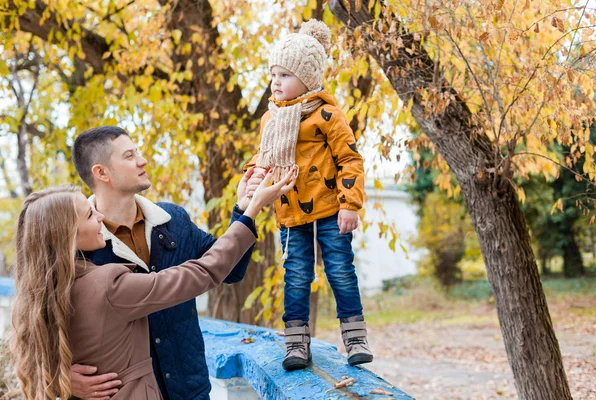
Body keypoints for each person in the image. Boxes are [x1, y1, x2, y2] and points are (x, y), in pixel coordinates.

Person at [10, 171, 295, 399]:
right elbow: (206, 270)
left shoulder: (49, 286)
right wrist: (251, 211)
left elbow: (36, 344)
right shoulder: (105, 283)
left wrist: (60, 378)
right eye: (88, 215)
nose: (98, 217)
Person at [68, 126, 260, 399]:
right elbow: (41, 325)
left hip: (191, 391)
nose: (142, 161)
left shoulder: (174, 219)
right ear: (102, 173)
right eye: (129, 155)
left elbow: (228, 270)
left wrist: (244, 209)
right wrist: (60, 376)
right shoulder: (79, 245)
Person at [245, 19, 372, 371]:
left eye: (285, 75)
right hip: (290, 213)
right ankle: (296, 344)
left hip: (332, 210)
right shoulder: (271, 119)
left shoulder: (327, 114)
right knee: (297, 275)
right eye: (274, 75)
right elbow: (263, 156)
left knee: (340, 271)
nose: (276, 82)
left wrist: (350, 205)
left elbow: (350, 159)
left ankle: (355, 337)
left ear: (308, 77)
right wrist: (252, 175)